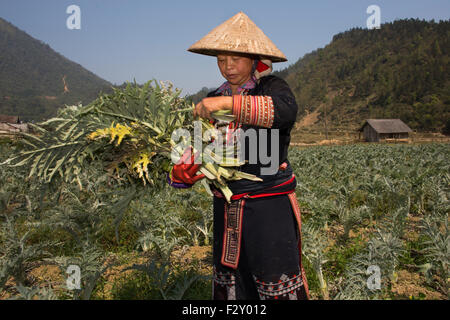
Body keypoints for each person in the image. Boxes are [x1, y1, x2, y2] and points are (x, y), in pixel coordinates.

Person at [167, 12, 309, 300]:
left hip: (268, 209)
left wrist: (228, 104)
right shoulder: (211, 97)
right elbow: (198, 148)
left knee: (274, 280)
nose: (227, 67)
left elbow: (285, 111)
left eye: (235, 59)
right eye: (221, 60)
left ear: (253, 58)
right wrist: (182, 171)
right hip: (227, 209)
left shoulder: (270, 88)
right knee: (234, 285)